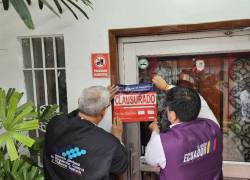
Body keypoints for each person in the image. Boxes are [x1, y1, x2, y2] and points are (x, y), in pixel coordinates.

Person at [145, 76, 223, 180]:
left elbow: (150, 160)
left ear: (172, 115)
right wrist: (167, 86)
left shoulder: (162, 142)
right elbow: (199, 99)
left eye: (167, 109)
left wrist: (155, 130)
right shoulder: (213, 126)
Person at [43, 85, 128, 180]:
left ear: (79, 101)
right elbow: (121, 166)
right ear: (103, 112)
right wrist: (117, 137)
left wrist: (96, 103)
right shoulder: (109, 143)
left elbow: (70, 116)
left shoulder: (55, 123)